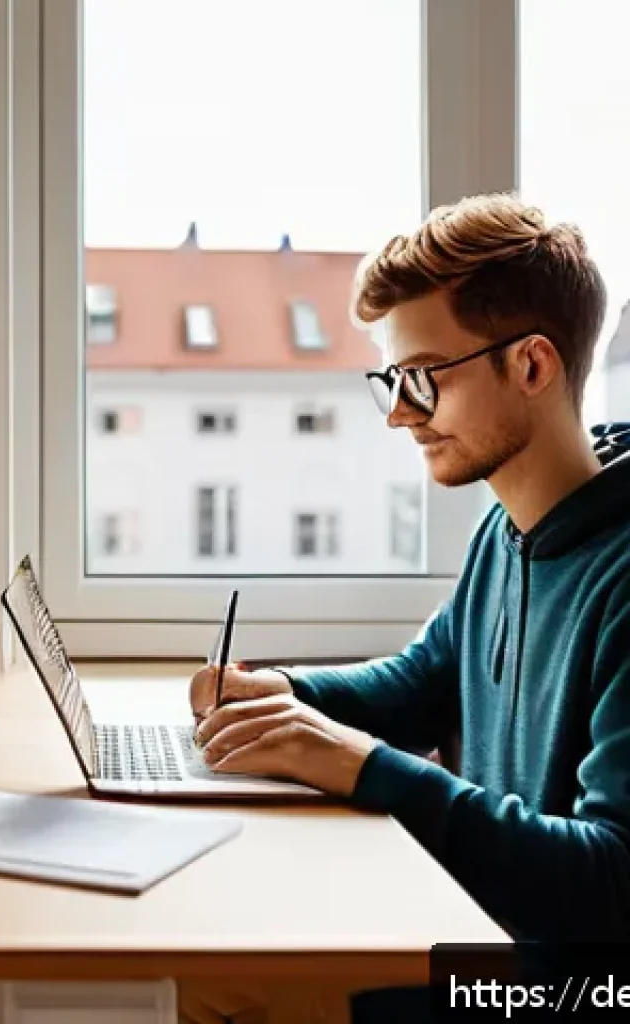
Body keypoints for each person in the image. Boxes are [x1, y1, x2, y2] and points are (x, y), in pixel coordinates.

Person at [183, 192, 630, 1022]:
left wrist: (357, 765)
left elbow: (610, 887)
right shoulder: (508, 528)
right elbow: (426, 679)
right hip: (493, 939)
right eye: (391, 380)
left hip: (578, 992)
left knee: (234, 991)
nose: (398, 413)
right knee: (222, 948)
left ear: (532, 365)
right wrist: (282, 698)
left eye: (422, 379)